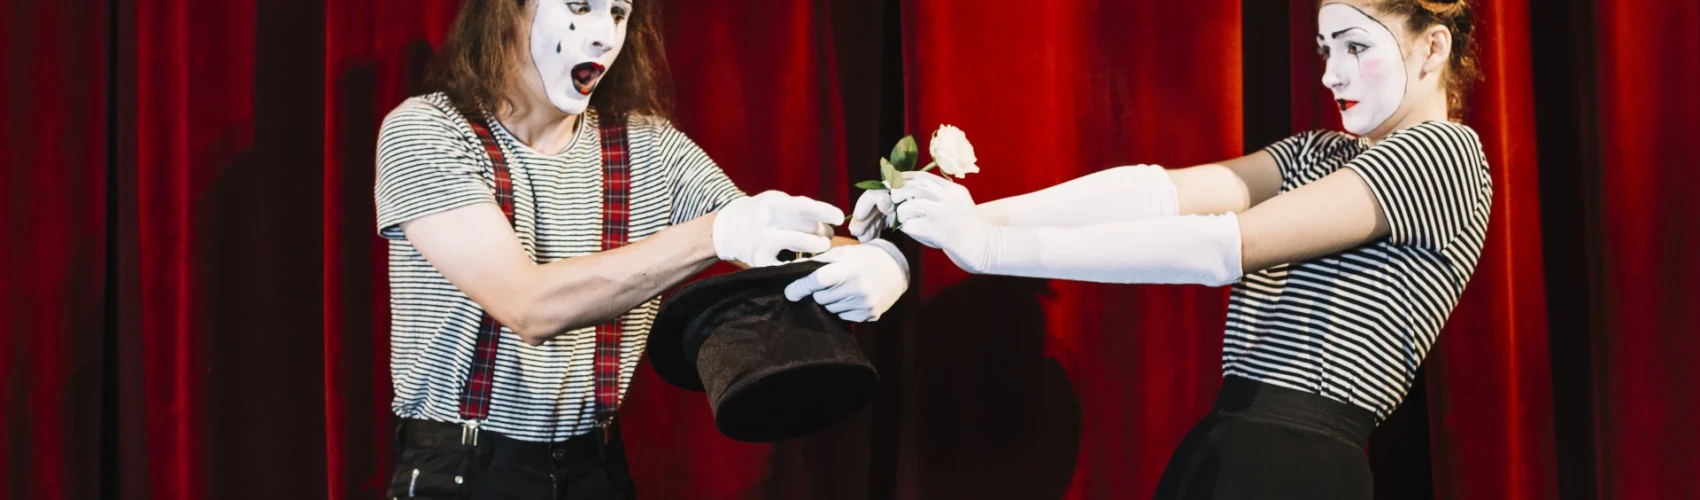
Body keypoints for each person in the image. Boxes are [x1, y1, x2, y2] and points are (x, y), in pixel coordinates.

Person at [852, 0, 1486, 497]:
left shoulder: (1443, 153)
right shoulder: (1320, 152)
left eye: (1356, 46)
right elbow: (1157, 192)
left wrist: (989, 246)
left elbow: (1224, 245)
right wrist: (947, 217)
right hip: (1227, 444)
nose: (1330, 73)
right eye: (1326, 49)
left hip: (1298, 461)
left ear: (1433, 47)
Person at [374, 0, 909, 498]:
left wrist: (880, 260)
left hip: (595, 468)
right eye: (579, 5)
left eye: (617, 12)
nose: (605, 37)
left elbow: (770, 242)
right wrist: (714, 233)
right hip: (463, 471)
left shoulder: (649, 145)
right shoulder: (428, 131)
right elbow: (527, 306)